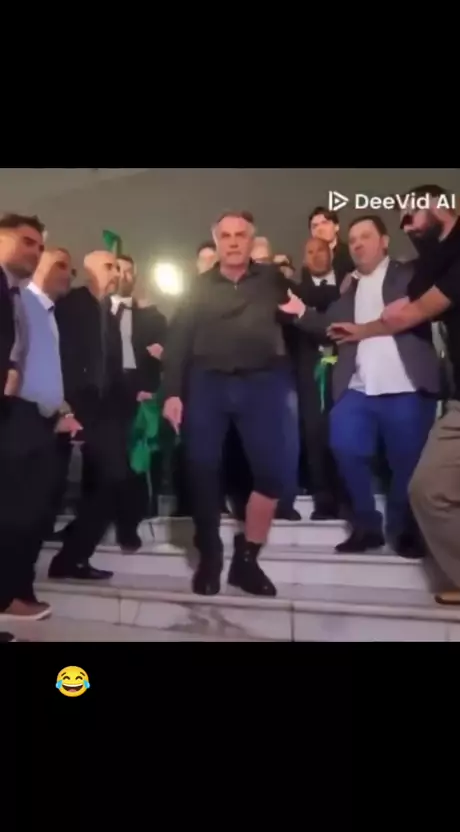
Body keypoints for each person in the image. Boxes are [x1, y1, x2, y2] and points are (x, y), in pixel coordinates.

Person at [336, 185, 460, 605]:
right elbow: (415, 306)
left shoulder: (453, 258)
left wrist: (445, 220)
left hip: (425, 393)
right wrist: (361, 330)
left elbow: (414, 298)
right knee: (429, 491)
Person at [281, 216, 440, 557]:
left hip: (407, 387)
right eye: (353, 240)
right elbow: (328, 325)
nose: (357, 244)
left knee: (407, 464)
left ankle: (403, 529)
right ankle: (367, 526)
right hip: (357, 389)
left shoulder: (409, 275)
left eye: (365, 236)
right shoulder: (347, 291)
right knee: (343, 446)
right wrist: (299, 311)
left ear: (384, 241)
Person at [162, 211, 298, 598]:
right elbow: (178, 341)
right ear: (217, 240)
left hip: (261, 384)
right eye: (226, 235)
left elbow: (304, 312)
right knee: (202, 468)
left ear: (252, 240)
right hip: (208, 383)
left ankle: (247, 559)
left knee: (271, 473)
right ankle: (210, 555)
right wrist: (173, 392)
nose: (234, 241)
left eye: (241, 235)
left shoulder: (272, 279)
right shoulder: (199, 286)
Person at [48, 251, 127, 582]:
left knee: (111, 480)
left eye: (118, 268)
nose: (116, 273)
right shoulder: (71, 305)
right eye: (109, 266)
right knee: (97, 479)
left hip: (104, 408)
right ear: (89, 269)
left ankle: (73, 554)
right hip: (74, 404)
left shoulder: (108, 312)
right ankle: (69, 556)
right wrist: (63, 404)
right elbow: (58, 355)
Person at [0, 214, 62, 621]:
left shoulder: (15, 295)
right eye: (27, 242)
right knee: (14, 510)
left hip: (26, 413)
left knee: (26, 509)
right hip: (13, 413)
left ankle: (11, 594)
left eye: (39, 246)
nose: (35, 252)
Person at [108, 254, 167, 548]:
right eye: (117, 269)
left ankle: (130, 525)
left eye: (129, 271)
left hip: (140, 395)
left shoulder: (153, 317)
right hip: (104, 395)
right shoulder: (94, 312)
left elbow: (166, 356)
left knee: (136, 460)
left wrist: (149, 387)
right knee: (103, 460)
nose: (123, 276)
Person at [290, 238, 345, 519]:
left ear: (331, 252)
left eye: (320, 250)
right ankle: (323, 499)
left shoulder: (350, 286)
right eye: (309, 252)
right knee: (313, 434)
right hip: (308, 371)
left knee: (344, 433)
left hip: (347, 369)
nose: (315, 256)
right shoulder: (295, 293)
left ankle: (346, 496)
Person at [308, 207, 354, 285]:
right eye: (315, 226)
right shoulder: (308, 264)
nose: (320, 229)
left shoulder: (351, 255)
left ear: (336, 227)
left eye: (325, 223)